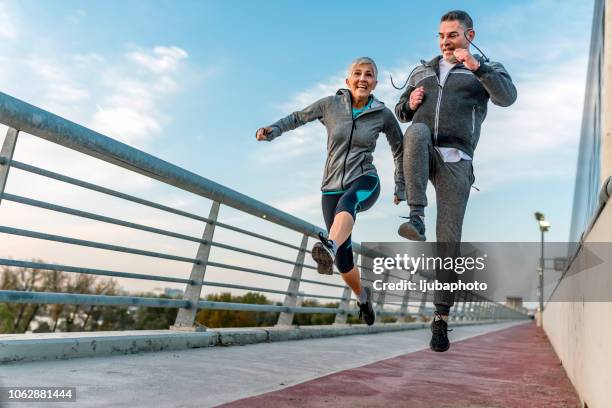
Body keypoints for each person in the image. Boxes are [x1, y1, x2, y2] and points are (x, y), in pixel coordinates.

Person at [395, 10, 517, 351]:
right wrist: (408, 102)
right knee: (416, 130)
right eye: (441, 35)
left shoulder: (486, 69)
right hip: (421, 153)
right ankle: (415, 215)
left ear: (470, 35)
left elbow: (507, 97)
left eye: (452, 34)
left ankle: (441, 319)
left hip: (457, 161)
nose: (446, 41)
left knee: (448, 242)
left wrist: (479, 68)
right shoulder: (422, 70)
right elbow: (401, 113)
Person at [256, 57, 405, 326]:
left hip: (364, 180)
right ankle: (362, 296)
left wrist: (401, 185)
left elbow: (400, 149)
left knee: (349, 203)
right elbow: (297, 118)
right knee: (344, 258)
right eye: (357, 74)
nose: (363, 79)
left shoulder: (382, 114)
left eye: (368, 75)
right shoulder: (330, 105)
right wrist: (273, 130)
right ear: (348, 81)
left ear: (375, 83)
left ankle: (328, 244)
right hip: (330, 188)